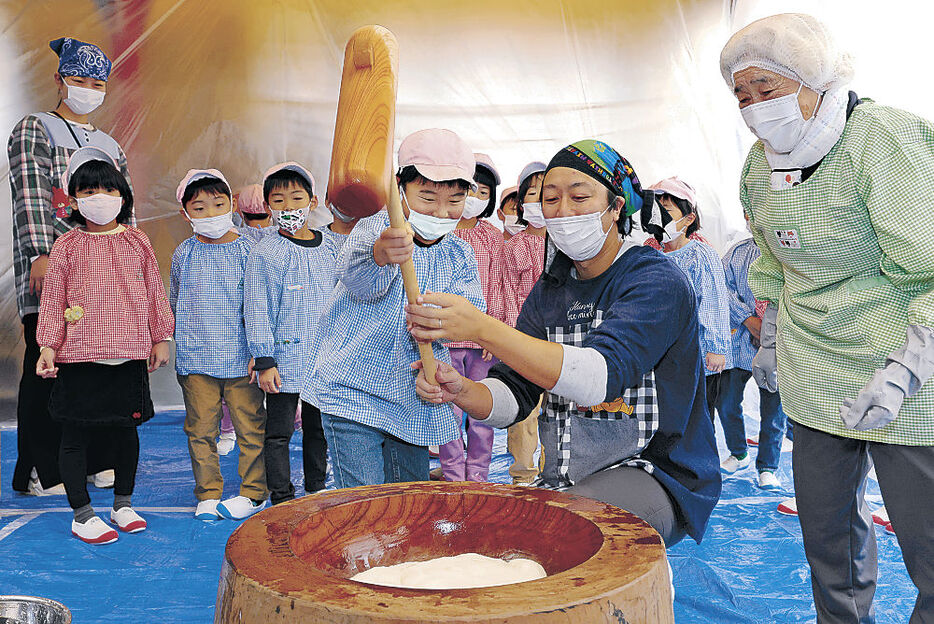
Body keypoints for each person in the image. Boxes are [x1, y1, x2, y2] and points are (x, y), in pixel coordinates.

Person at [721, 13, 934, 620]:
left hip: (910, 369)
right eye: (743, 95)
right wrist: (772, 341)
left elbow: (932, 271)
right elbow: (777, 265)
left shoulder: (882, 140)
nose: (756, 107)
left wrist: (903, 373)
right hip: (816, 373)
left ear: (815, 77)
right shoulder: (759, 169)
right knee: (828, 542)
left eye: (769, 88)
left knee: (929, 548)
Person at [407, 140, 721, 547]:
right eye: (550, 198)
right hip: (568, 475)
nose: (562, 211)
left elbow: (597, 377)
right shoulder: (551, 289)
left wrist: (482, 328)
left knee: (556, 535)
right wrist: (463, 390)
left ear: (616, 207)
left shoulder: (654, 280)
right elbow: (514, 397)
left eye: (580, 197)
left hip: (654, 472)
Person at [307, 128, 484, 488]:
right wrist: (379, 255)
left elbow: (468, 318)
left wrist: (437, 349)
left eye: (454, 201)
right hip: (352, 392)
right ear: (400, 187)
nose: (441, 211)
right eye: (428, 197)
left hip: (410, 397)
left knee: (410, 499)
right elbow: (357, 282)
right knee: (366, 503)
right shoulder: (378, 228)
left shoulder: (460, 253)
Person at [9, 37, 130, 496]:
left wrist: (128, 265)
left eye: (96, 82)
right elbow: (31, 196)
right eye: (78, 79)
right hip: (52, 267)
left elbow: (125, 207)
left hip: (101, 276)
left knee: (98, 366)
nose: (87, 89)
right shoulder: (35, 129)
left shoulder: (109, 144)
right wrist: (40, 253)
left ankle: (97, 459)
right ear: (59, 80)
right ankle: (43, 468)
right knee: (48, 367)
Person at [34, 147, 173, 543]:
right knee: (75, 436)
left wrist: (161, 336)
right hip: (79, 359)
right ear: (74, 199)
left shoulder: (138, 242)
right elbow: (53, 298)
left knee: (125, 434)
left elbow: (154, 291)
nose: (99, 198)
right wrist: (48, 345)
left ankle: (123, 504)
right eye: (89, 190)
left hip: (128, 356)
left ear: (123, 197)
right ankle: (82, 513)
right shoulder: (67, 246)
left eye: (108, 190)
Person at [170, 169, 267, 521]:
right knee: (201, 431)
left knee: (250, 428)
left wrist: (261, 352)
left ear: (233, 205)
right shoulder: (184, 254)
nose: (210, 214)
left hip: (242, 359)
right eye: (200, 207)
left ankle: (254, 492)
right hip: (196, 360)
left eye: (218, 204)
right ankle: (208, 493)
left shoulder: (250, 248)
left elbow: (260, 303)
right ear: (185, 213)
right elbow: (175, 301)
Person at [245, 162, 331, 504]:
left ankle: (315, 490)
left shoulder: (332, 248)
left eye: (297, 198)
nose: (289, 208)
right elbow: (256, 308)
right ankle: (280, 496)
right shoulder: (265, 253)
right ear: (268, 207)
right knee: (278, 433)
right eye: (278, 201)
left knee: (318, 430)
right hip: (284, 360)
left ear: (313, 201)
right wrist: (265, 359)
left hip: (323, 359)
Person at [437, 153, 506, 483]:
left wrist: (493, 333)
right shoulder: (439, 231)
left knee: (482, 411)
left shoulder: (493, 237)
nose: (476, 198)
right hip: (444, 339)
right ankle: (452, 475)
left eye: (484, 192)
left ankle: (477, 475)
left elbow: (499, 284)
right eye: (470, 189)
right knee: (445, 410)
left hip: (481, 342)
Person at [642, 177, 732, 420]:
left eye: (667, 209)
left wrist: (716, 348)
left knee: (696, 417)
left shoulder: (701, 255)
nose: (659, 215)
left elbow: (713, 303)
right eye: (656, 208)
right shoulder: (649, 251)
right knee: (664, 415)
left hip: (696, 354)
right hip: (659, 353)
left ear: (689, 218)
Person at [718, 229, 788, 489]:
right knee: (725, 402)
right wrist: (749, 320)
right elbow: (721, 287)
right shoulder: (738, 253)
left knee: (773, 410)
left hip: (778, 344)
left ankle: (768, 467)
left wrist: (769, 328)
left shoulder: (787, 250)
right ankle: (738, 453)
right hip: (739, 345)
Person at [503, 162, 549, 485]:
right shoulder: (514, 247)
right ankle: (523, 475)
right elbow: (505, 292)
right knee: (523, 412)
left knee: (557, 411)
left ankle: (553, 473)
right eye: (533, 192)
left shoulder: (564, 246)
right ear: (522, 203)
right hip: (523, 341)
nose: (541, 199)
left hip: (559, 342)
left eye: (547, 192)